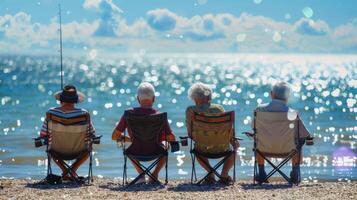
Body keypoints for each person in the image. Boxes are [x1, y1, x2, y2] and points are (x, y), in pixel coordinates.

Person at [112, 82, 176, 184]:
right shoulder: (160, 115)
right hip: (156, 151)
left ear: (138, 99)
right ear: (154, 99)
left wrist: (130, 139)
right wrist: (161, 138)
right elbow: (171, 138)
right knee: (166, 146)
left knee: (127, 147)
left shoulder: (128, 114)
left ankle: (141, 175)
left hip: (135, 151)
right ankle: (154, 175)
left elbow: (114, 136)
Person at [254, 82, 313, 183]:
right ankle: (295, 173)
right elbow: (305, 134)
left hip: (263, 149)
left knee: (258, 138)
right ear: (288, 96)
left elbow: (254, 128)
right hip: (288, 149)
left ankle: (262, 172)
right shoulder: (292, 113)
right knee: (299, 139)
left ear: (271, 94)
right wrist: (309, 138)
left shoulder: (259, 109)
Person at [185, 82, 239, 184]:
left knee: (196, 147)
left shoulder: (190, 110)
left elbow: (190, 134)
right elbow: (227, 129)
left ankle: (210, 173)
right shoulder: (219, 108)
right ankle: (224, 175)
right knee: (235, 147)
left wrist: (201, 137)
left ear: (194, 98)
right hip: (222, 147)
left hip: (202, 148)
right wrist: (232, 139)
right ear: (209, 96)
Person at [40, 85, 96, 179]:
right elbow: (92, 134)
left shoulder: (51, 113)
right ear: (75, 100)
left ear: (61, 100)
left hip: (56, 151)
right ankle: (73, 170)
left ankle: (65, 171)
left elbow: (43, 134)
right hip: (79, 151)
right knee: (89, 148)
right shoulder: (84, 114)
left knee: (50, 148)